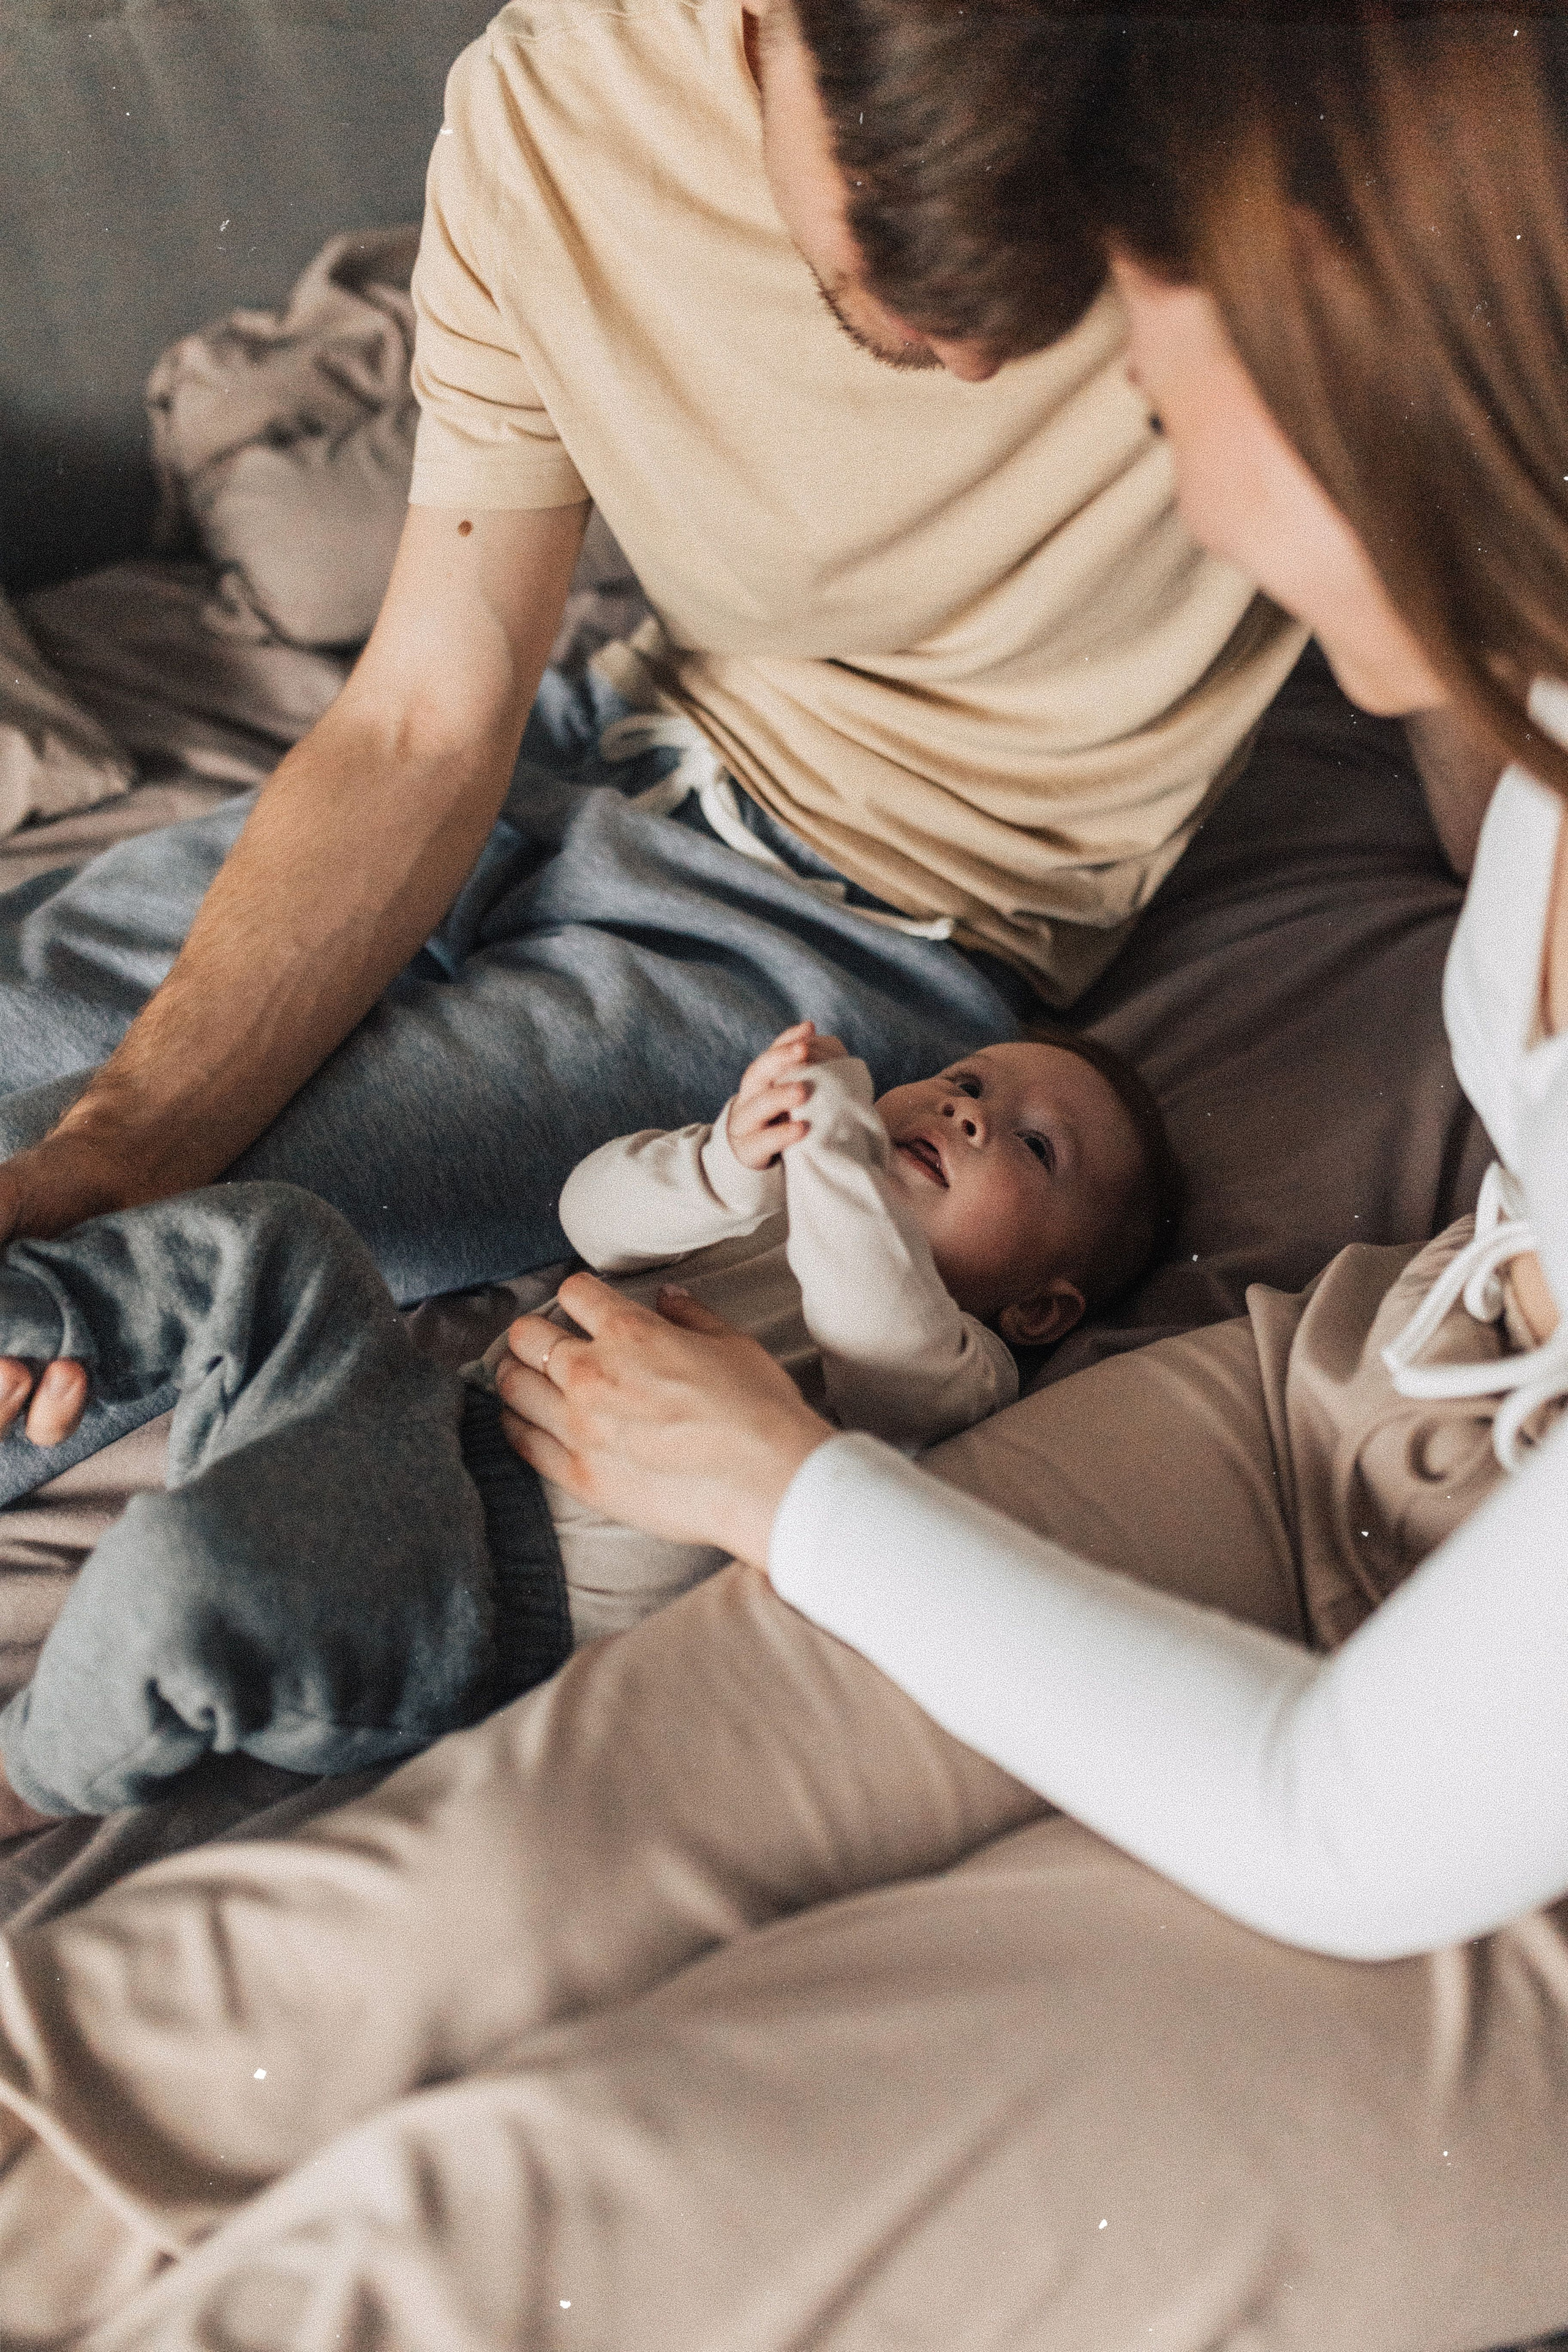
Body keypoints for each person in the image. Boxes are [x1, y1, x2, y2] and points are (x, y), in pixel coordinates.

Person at [2, 15, 1565, 2352]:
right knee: (350, 1930)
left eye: (1163, 365)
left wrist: (788, 1486)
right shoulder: (1519, 700)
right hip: (1372, 1373)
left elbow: (1344, 1823)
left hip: (1466, 1753)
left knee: (528, 2202)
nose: (1123, 415)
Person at [0, 0, 1311, 1499]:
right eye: (898, 223)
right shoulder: (559, 109)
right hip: (583, 740)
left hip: (863, 919)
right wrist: (112, 1138)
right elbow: (426, 716)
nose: (971, 354)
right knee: (42, 1036)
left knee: (208, 1230)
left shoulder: (1294, 131)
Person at [0, 1020, 1169, 1828]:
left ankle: (25, 1775)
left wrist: (838, 1153)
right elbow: (592, 1212)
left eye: (1034, 1145)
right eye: (968, 1082)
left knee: (185, 1574)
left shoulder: (960, 1365)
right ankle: (27, 1323)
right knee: (279, 1235)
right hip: (411, 1415)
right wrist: (724, 1161)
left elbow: (872, 1313)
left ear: (1041, 1308)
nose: (968, 1113)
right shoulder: (768, 1202)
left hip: (467, 1586)